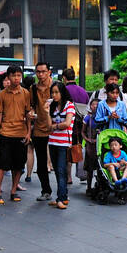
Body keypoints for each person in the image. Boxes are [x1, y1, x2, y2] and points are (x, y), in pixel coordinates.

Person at [0, 68, 32, 204]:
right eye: (13, 76)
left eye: (19, 75)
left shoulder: (26, 93)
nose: (16, 78)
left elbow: (28, 114)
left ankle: (13, 191)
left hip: (21, 132)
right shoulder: (1, 94)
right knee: (2, 163)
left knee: (19, 164)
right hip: (5, 132)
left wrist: (28, 132)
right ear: (8, 77)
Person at [45, 81, 77, 210]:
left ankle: (61, 198)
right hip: (52, 142)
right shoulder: (52, 106)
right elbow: (48, 126)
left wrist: (55, 126)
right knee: (58, 172)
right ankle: (63, 196)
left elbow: (67, 123)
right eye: (52, 92)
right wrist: (47, 112)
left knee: (61, 170)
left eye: (57, 92)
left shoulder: (69, 105)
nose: (54, 95)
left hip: (64, 143)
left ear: (62, 92)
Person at [29, 62, 55, 202]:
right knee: (41, 162)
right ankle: (46, 190)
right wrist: (32, 113)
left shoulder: (56, 87)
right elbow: (31, 106)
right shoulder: (33, 88)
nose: (40, 74)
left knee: (58, 162)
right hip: (39, 128)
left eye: (43, 71)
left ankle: (62, 190)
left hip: (55, 128)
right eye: (38, 72)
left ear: (49, 72)